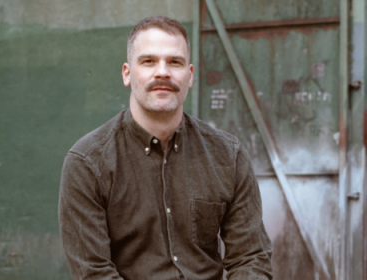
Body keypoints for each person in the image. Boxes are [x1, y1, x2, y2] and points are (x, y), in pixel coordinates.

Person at [59, 16, 273, 280]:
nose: (162, 72)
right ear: (127, 73)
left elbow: (251, 258)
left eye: (175, 62)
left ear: (190, 75)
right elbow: (93, 272)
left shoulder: (228, 155)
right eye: (148, 61)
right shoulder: (87, 162)